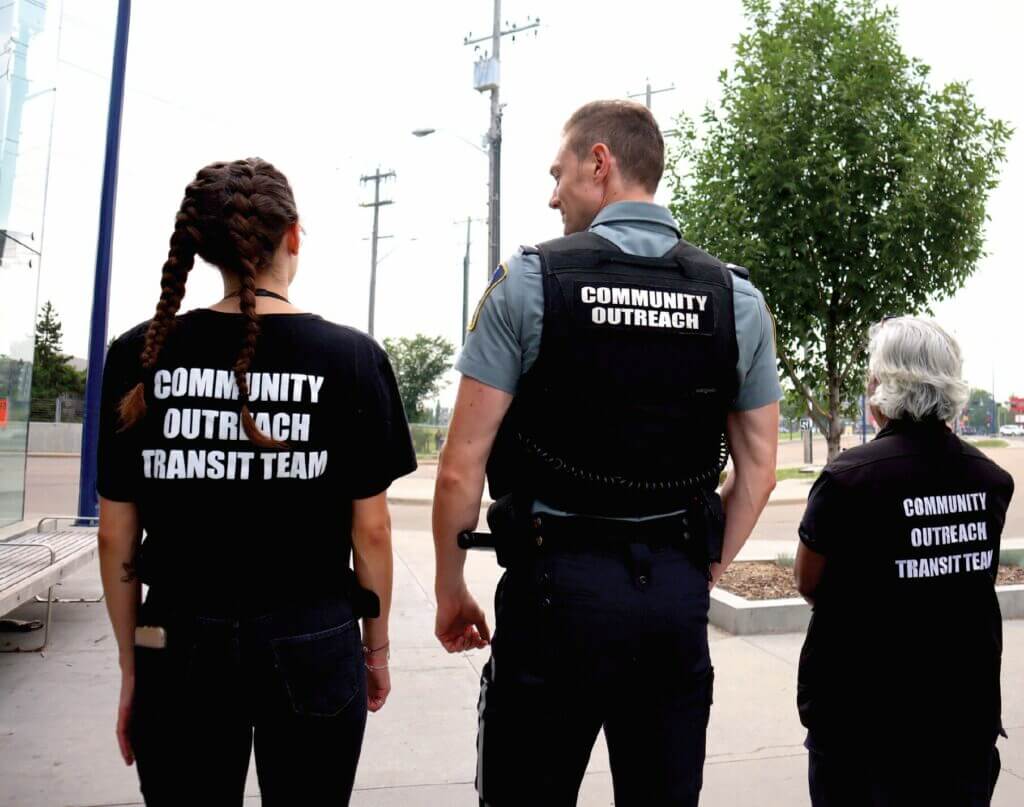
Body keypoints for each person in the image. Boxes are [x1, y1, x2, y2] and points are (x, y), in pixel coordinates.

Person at [431, 100, 781, 806]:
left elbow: (460, 468)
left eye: (557, 173)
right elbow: (761, 471)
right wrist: (699, 569)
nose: (551, 194)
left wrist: (450, 588)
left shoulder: (529, 281)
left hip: (554, 595)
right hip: (672, 602)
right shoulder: (735, 299)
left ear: (600, 163)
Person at [96, 158, 416, 806]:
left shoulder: (139, 354)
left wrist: (133, 665)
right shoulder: (353, 359)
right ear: (292, 235)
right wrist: (375, 649)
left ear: (204, 248)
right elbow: (373, 531)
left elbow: (114, 535)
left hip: (175, 638)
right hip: (314, 636)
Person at [794, 316, 1014, 807]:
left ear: (881, 384)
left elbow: (808, 581)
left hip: (861, 732)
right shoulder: (990, 480)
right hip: (962, 725)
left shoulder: (846, 480)